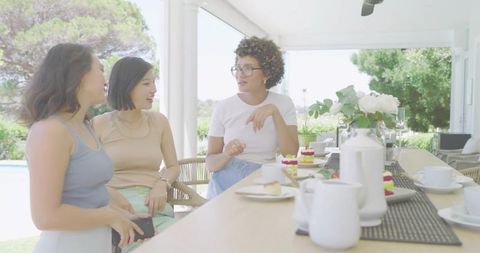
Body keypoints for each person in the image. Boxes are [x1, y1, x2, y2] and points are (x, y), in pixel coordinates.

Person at [21, 43, 144, 253]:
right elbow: (45, 216)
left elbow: (80, 188)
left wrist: (116, 206)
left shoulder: (85, 126)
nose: (107, 80)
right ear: (79, 75)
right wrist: (109, 215)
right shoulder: (50, 131)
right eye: (101, 69)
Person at [92, 57, 179, 251]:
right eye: (146, 83)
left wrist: (161, 185)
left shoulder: (159, 121)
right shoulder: (99, 124)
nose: (154, 89)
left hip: (157, 209)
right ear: (126, 85)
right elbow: (89, 178)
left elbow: (173, 166)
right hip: (120, 211)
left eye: (154, 82)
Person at [206, 36, 299, 198]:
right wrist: (226, 153)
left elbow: (291, 153)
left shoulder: (283, 104)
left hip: (266, 181)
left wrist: (274, 112)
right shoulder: (223, 107)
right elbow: (211, 163)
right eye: (238, 68)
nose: (240, 75)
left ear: (267, 73)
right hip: (226, 185)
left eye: (248, 68)